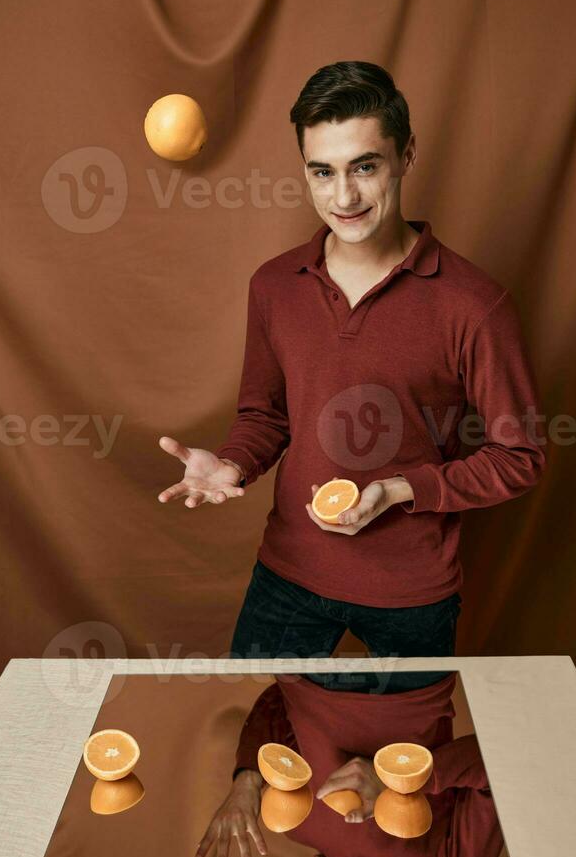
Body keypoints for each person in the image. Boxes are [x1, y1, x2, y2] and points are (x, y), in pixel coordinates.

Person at [158, 60, 546, 660]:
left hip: (413, 595)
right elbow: (267, 414)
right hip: (288, 576)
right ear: (306, 172)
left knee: (408, 755)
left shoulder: (476, 303)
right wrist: (233, 463)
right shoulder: (274, 286)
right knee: (253, 747)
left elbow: (519, 457)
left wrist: (399, 491)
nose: (344, 197)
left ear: (406, 155)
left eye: (365, 166)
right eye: (323, 171)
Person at [194, 672, 504, 857]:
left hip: (309, 671)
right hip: (407, 680)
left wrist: (247, 780)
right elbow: (496, 766)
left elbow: (278, 699)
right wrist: (395, 779)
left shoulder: (296, 827)